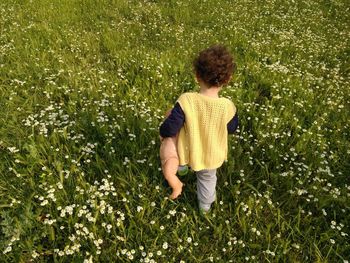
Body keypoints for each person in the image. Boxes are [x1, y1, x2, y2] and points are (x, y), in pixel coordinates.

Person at [159, 44, 238, 212]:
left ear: (197, 76)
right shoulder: (227, 106)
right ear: (228, 79)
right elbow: (232, 128)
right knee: (208, 179)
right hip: (211, 154)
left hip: (187, 150)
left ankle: (182, 170)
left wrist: (163, 133)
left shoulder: (187, 100)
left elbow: (171, 127)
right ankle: (205, 207)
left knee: (180, 145)